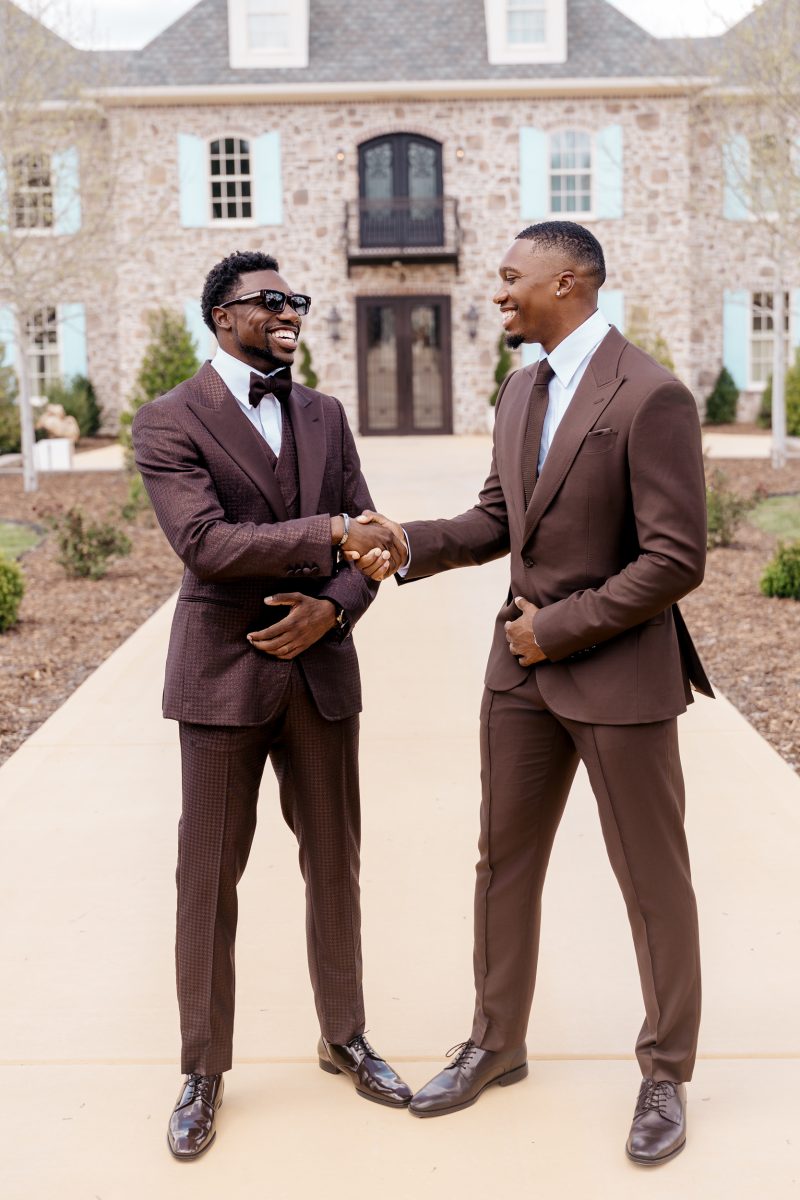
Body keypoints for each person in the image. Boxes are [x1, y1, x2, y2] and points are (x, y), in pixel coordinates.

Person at [352, 221, 713, 1165]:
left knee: (652, 880)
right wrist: (408, 542)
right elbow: (497, 518)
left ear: (568, 281)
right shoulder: (521, 389)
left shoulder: (653, 396)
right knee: (503, 864)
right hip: (518, 679)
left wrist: (555, 629)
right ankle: (496, 1042)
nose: (499, 292)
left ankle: (665, 1071)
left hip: (619, 677)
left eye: (513, 277)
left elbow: (675, 560)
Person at [132, 249, 410, 1161]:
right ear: (222, 315)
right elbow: (206, 544)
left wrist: (334, 607)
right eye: (271, 301)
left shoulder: (326, 414)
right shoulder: (169, 419)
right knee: (208, 878)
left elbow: (376, 546)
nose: (290, 312)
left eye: (297, 300)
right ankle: (203, 1068)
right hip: (222, 676)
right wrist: (328, 533)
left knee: (336, 864)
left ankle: (346, 1036)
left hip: (321, 671)